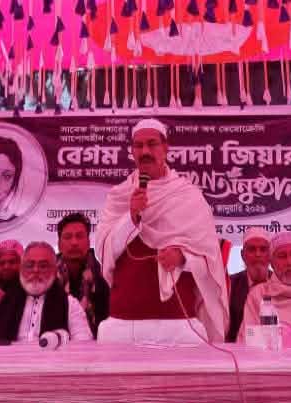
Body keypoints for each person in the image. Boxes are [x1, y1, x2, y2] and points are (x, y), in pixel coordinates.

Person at [94, 118, 229, 344]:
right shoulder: (119, 196)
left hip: (178, 324)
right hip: (122, 326)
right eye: (138, 146)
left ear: (166, 148)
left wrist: (183, 257)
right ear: (132, 151)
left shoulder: (189, 197)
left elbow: (211, 257)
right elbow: (104, 253)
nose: (145, 151)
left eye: (152, 144)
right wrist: (131, 218)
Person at [0, 242, 93, 344]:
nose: (35, 270)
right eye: (29, 265)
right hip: (8, 364)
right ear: (21, 269)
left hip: (53, 364)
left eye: (43, 266)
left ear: (54, 270)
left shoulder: (70, 305)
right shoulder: (1, 305)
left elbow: (83, 344)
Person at [56, 213, 110, 338]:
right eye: (68, 237)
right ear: (59, 244)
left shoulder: (104, 277)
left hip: (97, 345)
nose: (74, 242)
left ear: (89, 242)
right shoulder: (48, 279)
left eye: (79, 236)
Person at [227, 227, 273, 342]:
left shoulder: (281, 284)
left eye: (263, 249)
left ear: (270, 254)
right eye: (252, 249)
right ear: (242, 255)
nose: (258, 254)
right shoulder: (230, 284)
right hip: (237, 349)